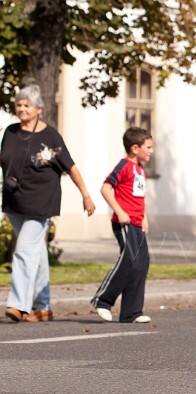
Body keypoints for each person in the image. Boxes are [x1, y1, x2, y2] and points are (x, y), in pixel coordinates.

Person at [1, 84, 96, 322]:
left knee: (23, 251)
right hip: (15, 201)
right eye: (19, 105)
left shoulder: (50, 136)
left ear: (39, 109)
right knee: (37, 252)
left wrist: (85, 194)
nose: (21, 109)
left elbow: (70, 166)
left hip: (41, 202)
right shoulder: (10, 132)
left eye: (27, 105)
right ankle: (42, 306)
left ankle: (18, 304)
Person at [90, 127, 153, 324]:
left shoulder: (141, 169)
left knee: (141, 264)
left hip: (137, 222)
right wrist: (119, 211)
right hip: (124, 222)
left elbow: (139, 197)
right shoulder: (124, 166)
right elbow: (106, 188)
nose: (151, 151)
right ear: (135, 148)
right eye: (148, 147)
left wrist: (144, 217)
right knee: (129, 261)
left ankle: (131, 312)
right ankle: (103, 300)